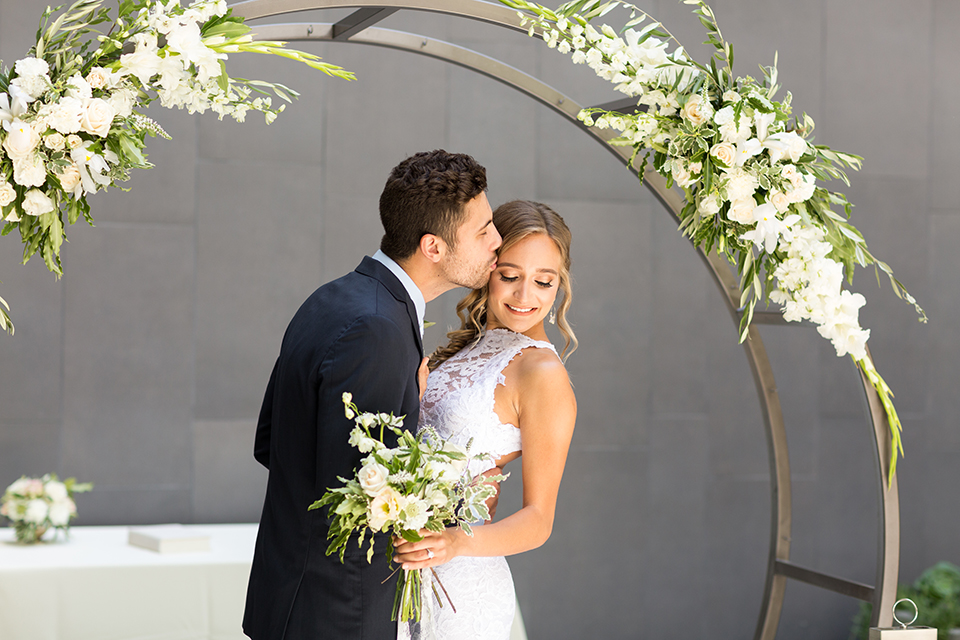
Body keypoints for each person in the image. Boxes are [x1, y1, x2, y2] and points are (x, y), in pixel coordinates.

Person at [243, 150, 502, 640]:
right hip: (339, 614)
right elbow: (363, 497)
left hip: (296, 603)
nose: (497, 242)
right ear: (433, 247)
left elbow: (269, 442)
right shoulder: (378, 330)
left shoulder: (335, 296)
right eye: (483, 230)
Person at [394, 200, 578, 640]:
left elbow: (539, 520)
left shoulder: (543, 374)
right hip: (405, 566)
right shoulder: (468, 347)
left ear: (560, 287)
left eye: (543, 282)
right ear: (487, 267)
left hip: (463, 587)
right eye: (510, 276)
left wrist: (455, 541)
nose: (524, 296)